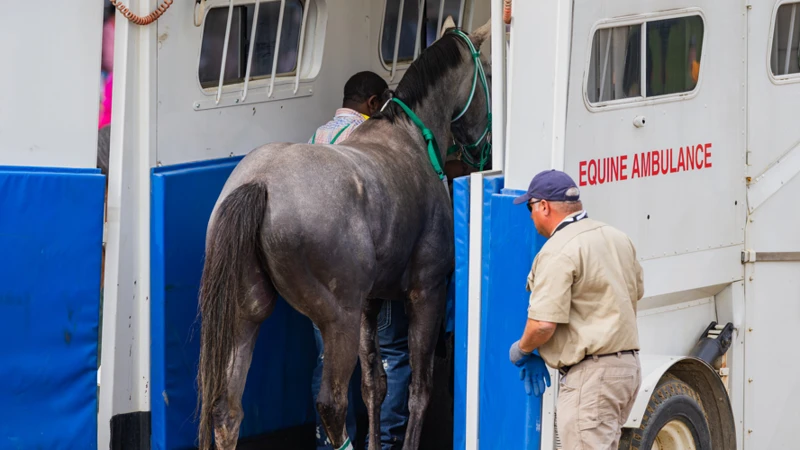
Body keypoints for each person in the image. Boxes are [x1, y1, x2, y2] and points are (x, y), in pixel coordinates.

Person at [309, 71, 412, 450]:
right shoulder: (374, 139)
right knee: (391, 354)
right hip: (367, 271)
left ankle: (332, 443)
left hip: (318, 275)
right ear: (373, 104)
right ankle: (385, 442)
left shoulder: (316, 138)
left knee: (327, 360)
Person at [507, 169, 644, 450]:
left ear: (543, 206)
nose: (531, 217)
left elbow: (543, 324)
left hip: (592, 378)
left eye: (530, 208)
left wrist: (523, 350)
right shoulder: (617, 237)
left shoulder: (558, 249)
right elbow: (635, 294)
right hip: (626, 372)